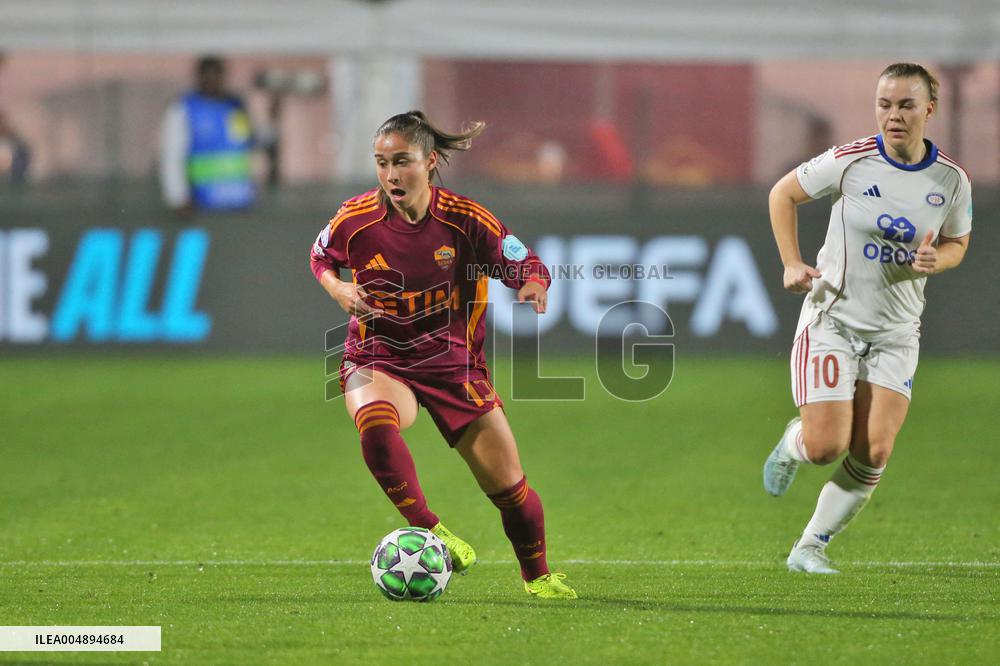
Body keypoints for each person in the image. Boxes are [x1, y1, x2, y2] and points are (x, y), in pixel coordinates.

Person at [309, 110, 577, 599]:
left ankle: (538, 577)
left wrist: (533, 284)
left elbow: (526, 262)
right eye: (382, 163)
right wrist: (337, 288)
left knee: (511, 490)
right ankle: (430, 529)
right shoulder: (355, 219)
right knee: (374, 421)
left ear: (430, 162)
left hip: (454, 367)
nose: (391, 175)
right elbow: (321, 255)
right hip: (379, 355)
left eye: (402, 161)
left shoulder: (465, 219)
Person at [761, 63, 972, 573]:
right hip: (833, 321)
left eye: (905, 105)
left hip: (897, 332)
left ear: (929, 109)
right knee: (825, 447)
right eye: (884, 104)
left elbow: (958, 242)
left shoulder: (951, 180)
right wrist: (791, 263)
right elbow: (782, 194)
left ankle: (809, 547)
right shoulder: (850, 161)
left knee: (874, 451)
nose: (893, 115)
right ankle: (794, 442)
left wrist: (937, 260)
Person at [159, 56, 258, 214]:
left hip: (239, 202)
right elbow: (172, 154)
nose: (212, 80)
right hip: (201, 204)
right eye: (208, 75)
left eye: (217, 74)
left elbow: (248, 142)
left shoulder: (235, 107)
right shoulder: (184, 109)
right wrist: (177, 197)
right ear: (199, 76)